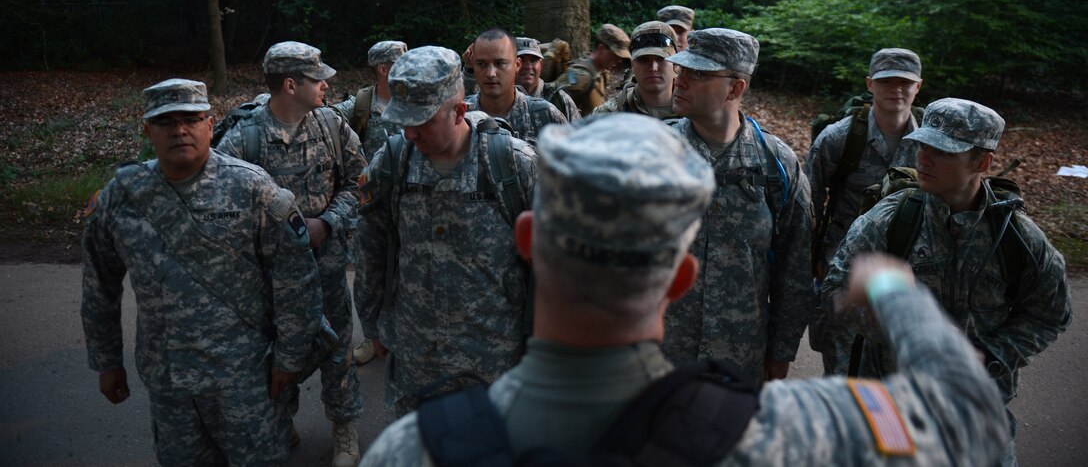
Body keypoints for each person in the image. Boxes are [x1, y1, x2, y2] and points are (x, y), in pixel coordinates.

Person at [359, 115, 1010, 466]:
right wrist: (897, 290)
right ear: (681, 278)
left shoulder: (413, 450)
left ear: (526, 242)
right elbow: (972, 418)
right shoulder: (787, 433)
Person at [81, 78, 323, 466]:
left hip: (246, 378)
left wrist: (289, 358)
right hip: (170, 381)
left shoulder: (251, 187)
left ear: (210, 125)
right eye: (166, 122)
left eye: (191, 119)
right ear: (148, 130)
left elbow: (296, 278)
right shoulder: (120, 197)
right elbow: (99, 287)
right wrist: (107, 361)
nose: (179, 130)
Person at [822, 97, 1072, 465]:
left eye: (942, 151)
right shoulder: (890, 221)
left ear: (982, 162)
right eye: (923, 145)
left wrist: (992, 356)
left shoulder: (1017, 238)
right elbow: (835, 293)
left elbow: (1050, 314)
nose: (923, 158)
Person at [357, 46, 537, 417]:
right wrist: (374, 324)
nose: (408, 133)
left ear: (459, 112)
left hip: (495, 359)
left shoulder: (512, 166)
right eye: (402, 120)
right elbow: (372, 247)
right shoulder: (393, 162)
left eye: (421, 121)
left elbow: (554, 267)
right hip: (417, 357)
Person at [217, 41, 366, 467]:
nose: (325, 85)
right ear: (289, 84)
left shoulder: (332, 127)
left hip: (328, 265)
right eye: (317, 79)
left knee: (337, 347)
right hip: (270, 279)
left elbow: (361, 181)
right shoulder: (243, 138)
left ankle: (344, 428)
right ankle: (281, 422)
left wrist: (329, 221)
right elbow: (222, 204)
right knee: (276, 352)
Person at [664, 28, 812, 383]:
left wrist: (780, 353)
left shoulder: (775, 164)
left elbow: (795, 268)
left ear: (735, 88)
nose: (680, 81)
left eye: (697, 74)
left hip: (738, 361)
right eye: (681, 70)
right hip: (658, 357)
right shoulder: (653, 152)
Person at [806, 47, 924, 375]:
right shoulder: (838, 138)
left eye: (905, 82)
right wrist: (812, 260)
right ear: (870, 84)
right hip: (845, 266)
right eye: (887, 82)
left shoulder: (932, 146)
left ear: (918, 87)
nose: (897, 90)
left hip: (912, 271)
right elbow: (808, 203)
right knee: (844, 373)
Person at [331, 39, 408, 368]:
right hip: (372, 206)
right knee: (367, 276)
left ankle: (407, 337)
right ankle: (372, 338)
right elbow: (325, 122)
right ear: (383, 69)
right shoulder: (360, 104)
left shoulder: (414, 100)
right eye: (400, 63)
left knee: (412, 272)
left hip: (411, 203)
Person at [465, 28, 568, 143]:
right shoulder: (461, 118)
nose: (490, 74)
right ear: (473, 66)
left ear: (517, 65)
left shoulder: (546, 115)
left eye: (500, 63)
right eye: (481, 64)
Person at [333, 40, 407, 160]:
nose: (408, 70)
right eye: (402, 65)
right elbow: (322, 116)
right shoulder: (360, 105)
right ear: (383, 70)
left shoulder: (417, 103)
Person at [593, 20, 680, 119]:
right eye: (643, 60)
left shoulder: (696, 110)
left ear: (676, 63)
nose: (653, 68)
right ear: (632, 65)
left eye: (661, 59)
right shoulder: (608, 115)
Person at [557, 24, 630, 116]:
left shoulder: (602, 72)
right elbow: (554, 108)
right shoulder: (581, 76)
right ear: (601, 49)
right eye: (615, 55)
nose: (619, 60)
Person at [515, 35, 581, 123]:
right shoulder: (501, 99)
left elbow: (578, 133)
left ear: (541, 64)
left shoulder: (559, 99)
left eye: (533, 60)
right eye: (522, 60)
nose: (528, 66)